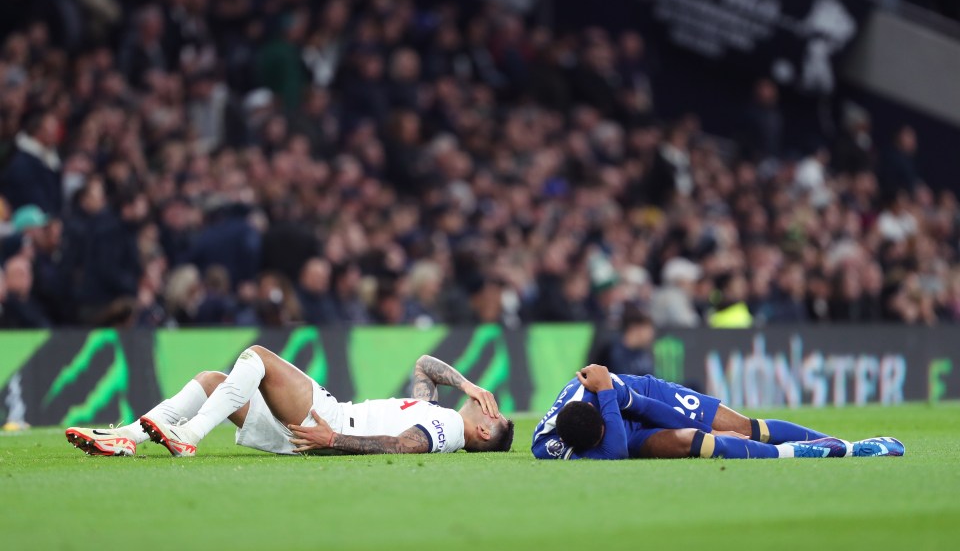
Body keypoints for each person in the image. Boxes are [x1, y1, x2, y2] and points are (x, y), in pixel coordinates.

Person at [66, 348, 514, 457]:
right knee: (210, 381)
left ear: (483, 431)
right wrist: (470, 386)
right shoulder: (440, 410)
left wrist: (332, 436)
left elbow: (404, 446)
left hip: (332, 421)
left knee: (257, 357)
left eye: (496, 415)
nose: (492, 405)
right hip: (313, 430)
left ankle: (189, 436)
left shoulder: (451, 431)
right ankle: (127, 438)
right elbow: (424, 366)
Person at [531, 364, 903, 461]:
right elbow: (615, 450)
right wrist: (707, 438)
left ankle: (850, 444)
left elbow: (651, 411)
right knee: (697, 444)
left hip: (644, 396)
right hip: (618, 422)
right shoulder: (549, 444)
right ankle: (810, 452)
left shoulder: (605, 386)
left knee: (744, 427)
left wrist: (609, 395)